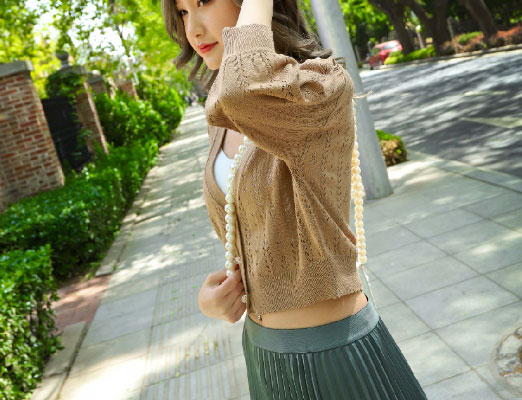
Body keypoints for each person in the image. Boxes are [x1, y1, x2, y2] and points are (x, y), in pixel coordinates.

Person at [162, 0, 428, 398]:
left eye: (203, 2)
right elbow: (258, 237)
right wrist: (213, 301)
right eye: (182, 12)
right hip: (265, 357)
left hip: (336, 356)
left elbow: (242, 86)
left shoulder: (320, 86)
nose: (193, 29)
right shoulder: (219, 114)